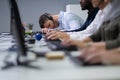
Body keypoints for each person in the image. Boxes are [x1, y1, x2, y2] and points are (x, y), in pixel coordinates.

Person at [45, 0, 114, 41]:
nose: (80, 1)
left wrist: (65, 35)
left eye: (49, 25)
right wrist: (61, 34)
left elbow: (81, 30)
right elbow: (88, 31)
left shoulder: (68, 16)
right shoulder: (99, 12)